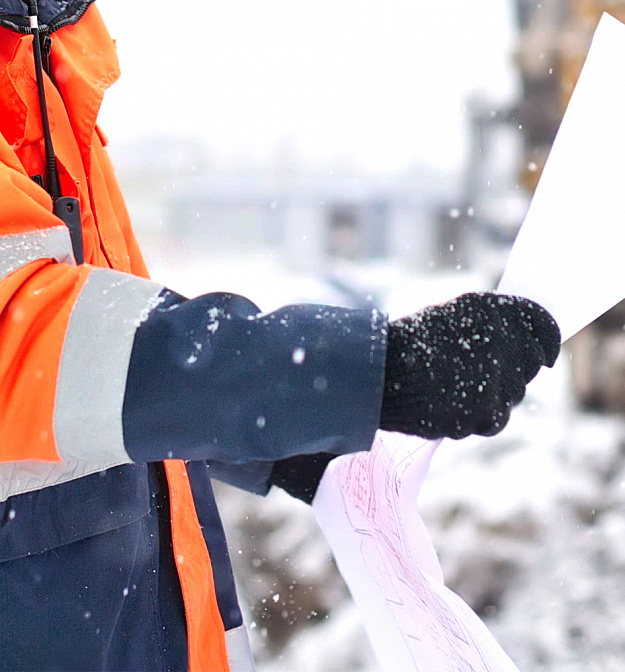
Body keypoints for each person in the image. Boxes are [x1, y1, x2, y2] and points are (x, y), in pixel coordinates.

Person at [0, 1, 561, 670]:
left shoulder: (43, 74)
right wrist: (366, 373)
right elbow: (32, 339)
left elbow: (90, 384)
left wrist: (283, 443)